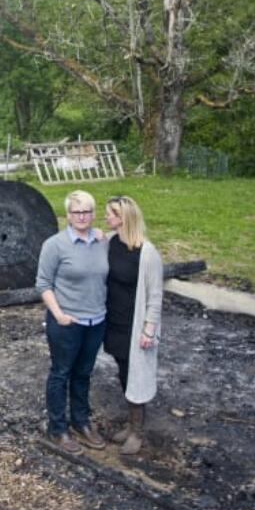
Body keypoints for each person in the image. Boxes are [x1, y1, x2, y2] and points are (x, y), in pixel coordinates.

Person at [36, 189, 109, 454]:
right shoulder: (54, 245)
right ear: (67, 215)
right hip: (66, 321)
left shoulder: (102, 241)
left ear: (93, 213)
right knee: (61, 372)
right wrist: (58, 314)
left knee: (83, 373)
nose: (82, 216)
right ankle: (58, 428)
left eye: (87, 211)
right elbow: (43, 283)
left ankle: (81, 422)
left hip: (96, 321)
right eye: (76, 211)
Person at [102, 195, 164, 455]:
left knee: (135, 374)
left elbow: (155, 295)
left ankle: (137, 431)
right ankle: (130, 424)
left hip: (134, 324)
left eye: (110, 214)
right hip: (114, 320)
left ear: (123, 218)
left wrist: (149, 329)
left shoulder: (147, 253)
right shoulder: (110, 242)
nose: (106, 218)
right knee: (123, 370)